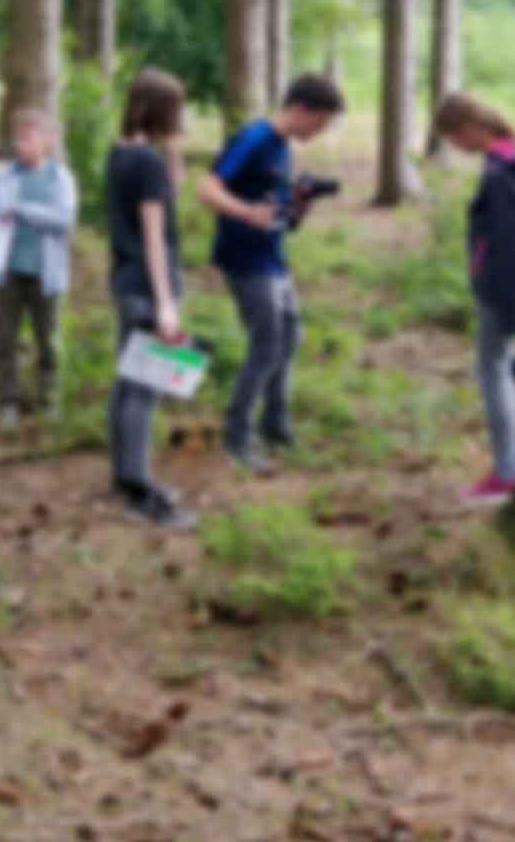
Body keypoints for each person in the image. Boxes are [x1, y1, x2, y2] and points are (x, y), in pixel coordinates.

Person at [195, 73, 345, 473]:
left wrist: (299, 206)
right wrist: (245, 213)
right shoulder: (255, 138)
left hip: (274, 258)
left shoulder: (282, 147)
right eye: (320, 122)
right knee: (266, 344)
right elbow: (207, 188)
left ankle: (275, 423)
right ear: (300, 109)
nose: (320, 131)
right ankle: (237, 436)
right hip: (246, 260)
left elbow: (276, 212)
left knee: (290, 335)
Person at [434, 92, 515, 506]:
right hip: (514, 284)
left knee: (493, 373)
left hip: (502, 288)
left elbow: (512, 245)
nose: (457, 147)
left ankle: (508, 473)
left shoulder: (501, 173)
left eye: (455, 138)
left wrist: (507, 305)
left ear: (471, 129)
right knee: (502, 370)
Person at [104, 69, 196, 528]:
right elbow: (156, 237)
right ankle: (141, 493)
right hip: (146, 285)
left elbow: (166, 199)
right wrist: (165, 303)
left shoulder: (122, 154)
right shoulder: (146, 164)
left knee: (126, 383)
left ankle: (125, 476)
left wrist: (174, 154)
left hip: (124, 280)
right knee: (143, 389)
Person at [0, 109, 80, 432]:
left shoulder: (60, 178)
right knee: (4, 338)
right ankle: (7, 401)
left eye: (28, 137)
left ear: (47, 140)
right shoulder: (8, 175)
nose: (21, 144)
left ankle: (47, 399)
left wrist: (21, 209)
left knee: (47, 339)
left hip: (44, 272)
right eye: (18, 137)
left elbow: (62, 219)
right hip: (7, 269)